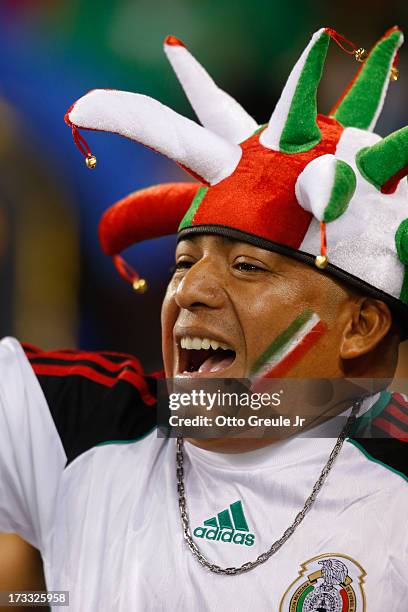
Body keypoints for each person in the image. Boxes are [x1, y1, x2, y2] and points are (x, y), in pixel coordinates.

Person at [1, 26, 407, 611]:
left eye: (246, 267)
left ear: (361, 325)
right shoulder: (73, 428)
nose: (189, 290)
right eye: (184, 261)